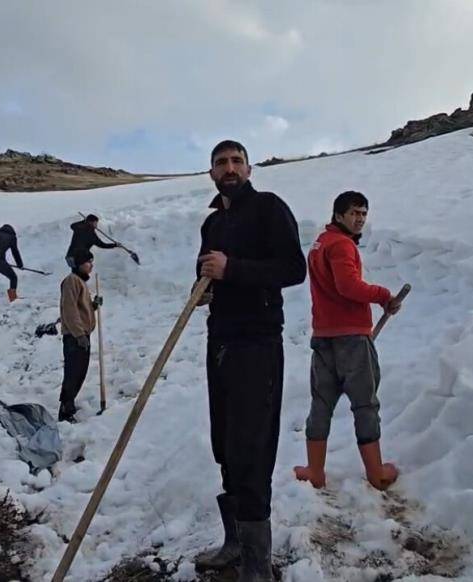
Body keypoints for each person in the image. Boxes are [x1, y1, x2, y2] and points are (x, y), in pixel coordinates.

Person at [193, 140, 306, 581]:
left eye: (236, 160)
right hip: (219, 342)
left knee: (252, 448)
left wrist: (233, 270)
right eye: (221, 162)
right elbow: (207, 271)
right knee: (225, 444)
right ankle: (235, 542)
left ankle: (258, 567)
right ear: (211, 173)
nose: (230, 167)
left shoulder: (269, 209)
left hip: (257, 344)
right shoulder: (212, 224)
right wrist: (201, 290)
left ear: (249, 167)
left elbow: (293, 269)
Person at [292, 191, 402, 493]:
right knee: (365, 403)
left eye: (364, 213)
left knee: (321, 402)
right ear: (338, 215)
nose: (360, 219)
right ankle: (376, 472)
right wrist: (383, 296)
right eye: (354, 213)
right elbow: (348, 286)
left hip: (324, 337)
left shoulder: (320, 244)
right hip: (352, 338)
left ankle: (315, 471)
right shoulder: (341, 245)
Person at [58, 249, 102, 422]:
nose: (91, 266)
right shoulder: (71, 281)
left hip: (82, 335)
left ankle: (70, 404)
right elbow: (69, 309)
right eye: (88, 262)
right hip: (75, 337)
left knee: (80, 372)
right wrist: (78, 334)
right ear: (78, 265)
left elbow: (81, 308)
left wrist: (93, 305)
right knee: (73, 373)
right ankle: (65, 410)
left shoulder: (80, 282)